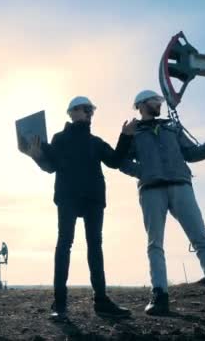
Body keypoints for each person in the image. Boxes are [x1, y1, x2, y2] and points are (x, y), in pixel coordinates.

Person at [119, 89, 205, 323]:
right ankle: (159, 296)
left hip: (181, 186)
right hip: (150, 190)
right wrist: (144, 172)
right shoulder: (133, 132)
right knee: (155, 244)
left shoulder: (172, 128)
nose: (160, 104)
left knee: (202, 242)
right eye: (156, 100)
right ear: (142, 104)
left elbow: (193, 153)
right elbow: (122, 162)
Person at [24, 96, 137, 320]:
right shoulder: (59, 139)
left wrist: (125, 136)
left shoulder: (96, 142)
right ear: (71, 113)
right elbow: (50, 167)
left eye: (86, 109)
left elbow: (114, 161)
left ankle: (102, 302)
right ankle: (60, 304)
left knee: (95, 246)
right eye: (79, 109)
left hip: (94, 198)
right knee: (64, 244)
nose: (83, 112)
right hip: (67, 196)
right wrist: (37, 157)